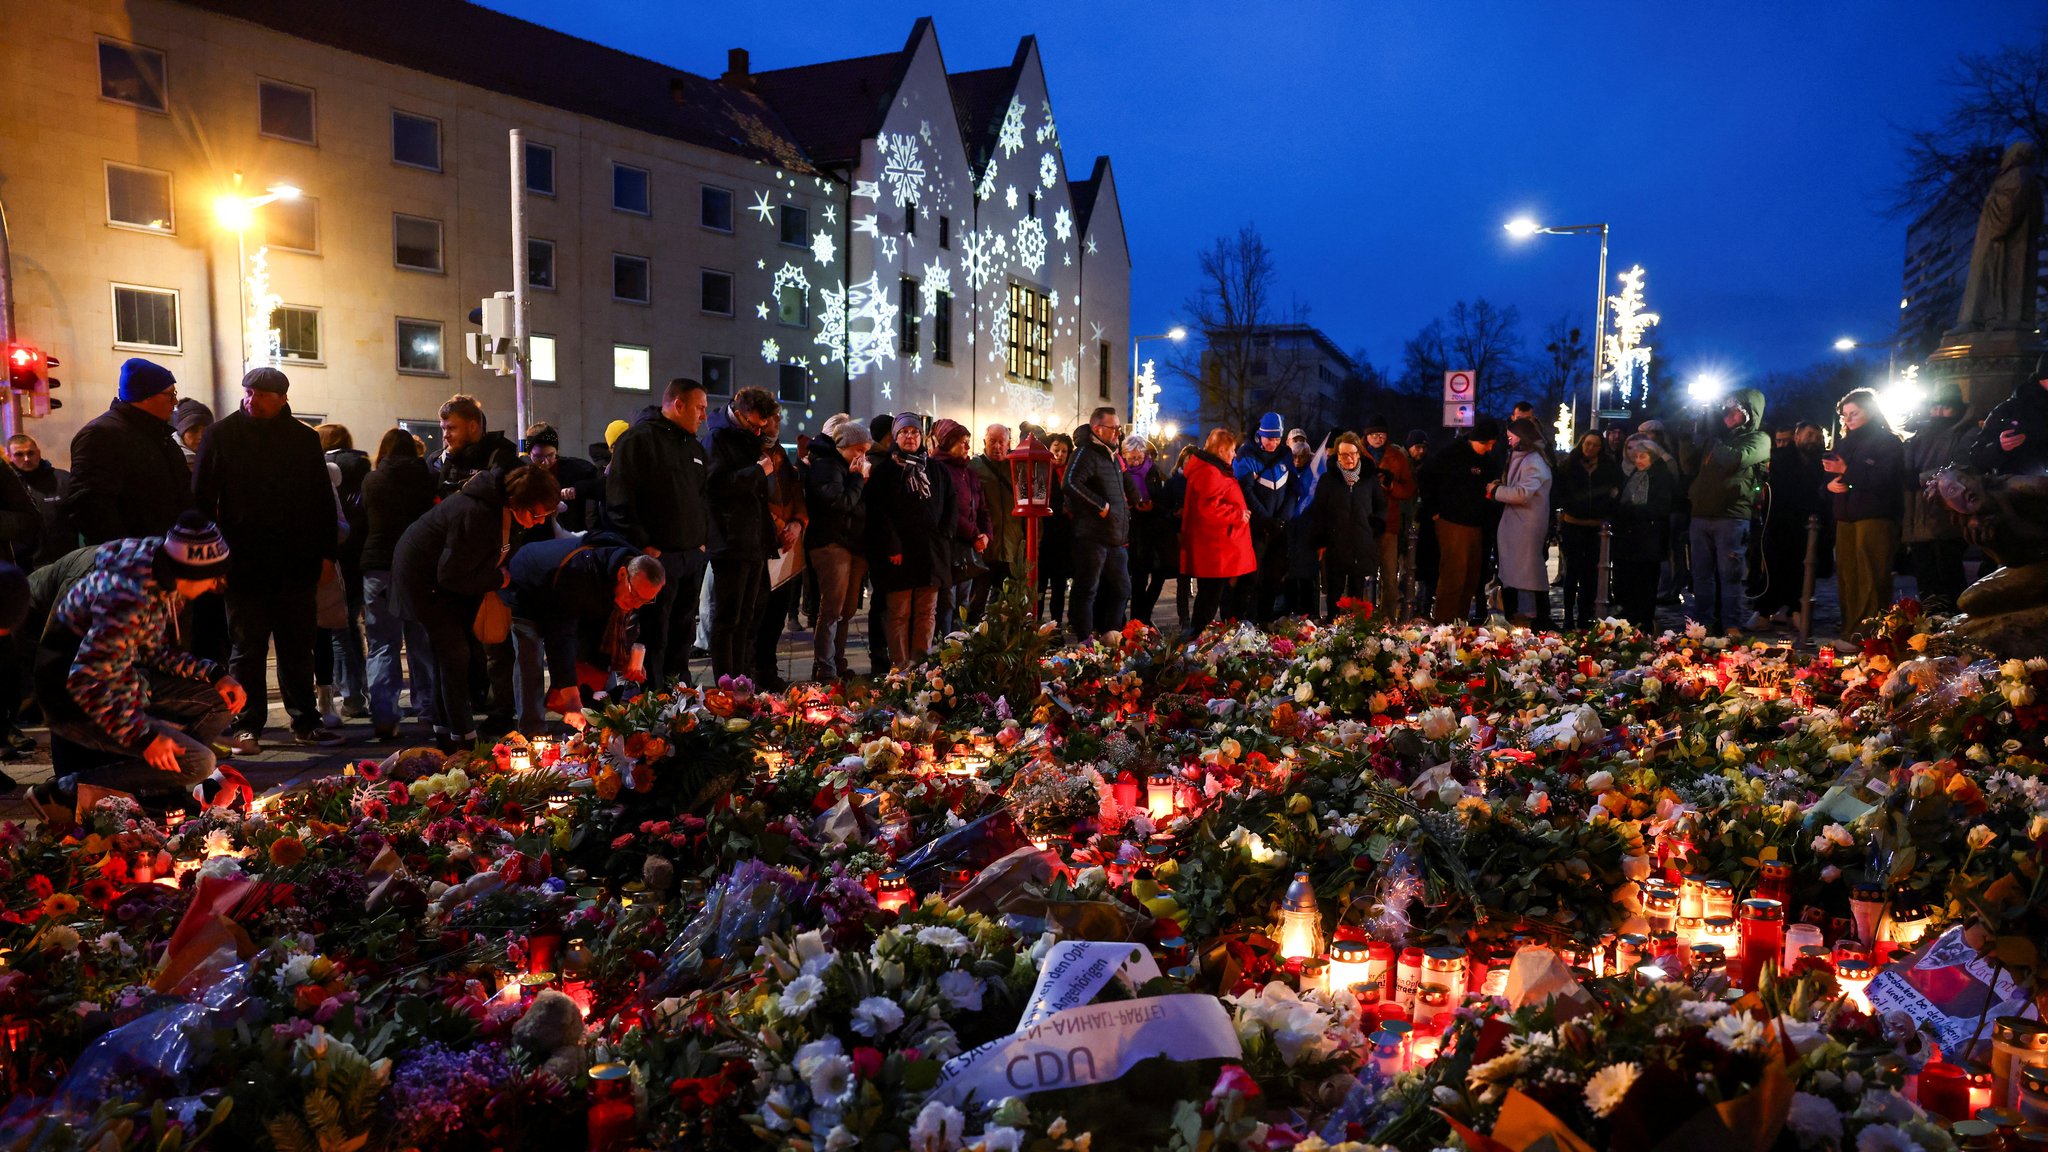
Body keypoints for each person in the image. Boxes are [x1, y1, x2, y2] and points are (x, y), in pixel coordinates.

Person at [24, 516, 250, 824]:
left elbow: (150, 650)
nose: (214, 586)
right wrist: (145, 736)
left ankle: (157, 782)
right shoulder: (128, 596)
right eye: (211, 578)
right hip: (70, 698)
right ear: (189, 571)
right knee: (200, 762)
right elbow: (85, 682)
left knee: (219, 699)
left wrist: (212, 674)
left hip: (122, 679)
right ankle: (63, 792)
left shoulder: (159, 572)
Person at [191, 367, 343, 750]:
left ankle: (305, 719)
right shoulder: (221, 435)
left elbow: (321, 502)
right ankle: (247, 722)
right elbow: (202, 503)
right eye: (248, 392)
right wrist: (211, 561)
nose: (250, 400)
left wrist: (327, 554)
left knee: (297, 645)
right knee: (246, 647)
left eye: (260, 394)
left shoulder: (303, 440)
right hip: (242, 563)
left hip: (295, 561)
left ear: (282, 398)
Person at [393, 465, 560, 751]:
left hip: (448, 587)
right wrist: (498, 578)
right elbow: (451, 572)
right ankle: (463, 743)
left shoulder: (502, 509)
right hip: (426, 584)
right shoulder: (477, 513)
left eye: (546, 515)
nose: (541, 522)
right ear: (518, 501)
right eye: (537, 514)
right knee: (455, 657)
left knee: (451, 657)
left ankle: (447, 734)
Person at [606, 378, 711, 687]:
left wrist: (703, 542)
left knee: (683, 631)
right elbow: (619, 500)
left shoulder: (693, 445)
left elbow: (702, 496)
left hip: (691, 556)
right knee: (655, 634)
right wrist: (645, 546)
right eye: (699, 408)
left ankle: (680, 694)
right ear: (678, 405)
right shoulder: (639, 440)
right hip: (657, 559)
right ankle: (654, 695)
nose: (703, 416)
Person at [507, 533, 662, 733]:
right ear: (622, 575)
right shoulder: (582, 571)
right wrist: (571, 699)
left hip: (566, 599)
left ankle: (601, 724)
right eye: (635, 596)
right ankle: (532, 732)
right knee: (530, 656)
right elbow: (560, 635)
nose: (636, 605)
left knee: (594, 663)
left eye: (646, 600)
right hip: (528, 587)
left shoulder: (633, 574)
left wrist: (626, 659)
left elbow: (608, 633)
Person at [360, 429, 436, 740]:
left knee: (382, 644)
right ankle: (429, 708)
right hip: (417, 566)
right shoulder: (428, 478)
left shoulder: (372, 480)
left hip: (377, 566)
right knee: (422, 641)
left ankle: (384, 715)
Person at [64, 357, 191, 545]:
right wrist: (127, 554)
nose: (175, 401)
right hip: (133, 561)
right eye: (170, 394)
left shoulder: (159, 436)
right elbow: (90, 507)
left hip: (167, 551)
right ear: (146, 396)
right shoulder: (101, 435)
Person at [704, 387, 784, 683]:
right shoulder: (717, 439)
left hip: (753, 541)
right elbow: (714, 488)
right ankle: (725, 684)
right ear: (738, 413)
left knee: (747, 618)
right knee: (727, 618)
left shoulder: (747, 436)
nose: (759, 431)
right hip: (730, 541)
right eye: (754, 425)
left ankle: (742, 679)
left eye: (762, 426)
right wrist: (756, 472)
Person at [867, 413, 954, 667]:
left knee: (927, 612)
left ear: (922, 436)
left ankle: (921, 663)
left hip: (930, 552)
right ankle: (900, 667)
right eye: (904, 432)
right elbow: (878, 512)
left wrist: (945, 536)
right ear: (895, 437)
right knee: (899, 613)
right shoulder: (885, 471)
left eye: (914, 432)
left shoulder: (936, 469)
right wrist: (892, 544)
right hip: (900, 554)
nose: (910, 437)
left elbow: (950, 503)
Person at [1824, 388, 1906, 640]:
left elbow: (1885, 479)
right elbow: (1832, 475)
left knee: (1871, 576)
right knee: (1848, 576)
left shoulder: (1887, 442)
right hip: (1846, 516)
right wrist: (1829, 484)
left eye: (1854, 413)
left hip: (1875, 516)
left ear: (1870, 412)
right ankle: (1850, 627)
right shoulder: (1845, 443)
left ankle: (1869, 633)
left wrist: (1848, 470)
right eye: (1845, 415)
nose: (1849, 419)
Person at [1686, 388, 1770, 633]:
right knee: (1701, 576)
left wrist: (1713, 438)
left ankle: (1731, 624)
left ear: (1747, 413)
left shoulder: (1759, 438)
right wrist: (1687, 436)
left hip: (1731, 515)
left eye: (1733, 410)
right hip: (1701, 513)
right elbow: (1688, 465)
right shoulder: (1716, 438)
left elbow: (1735, 459)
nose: (1726, 414)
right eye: (1725, 409)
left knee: (1730, 575)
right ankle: (1702, 626)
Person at [805, 416, 870, 681]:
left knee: (847, 610)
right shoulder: (827, 467)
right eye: (859, 450)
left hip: (851, 543)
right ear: (844, 445)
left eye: (866, 452)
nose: (863, 457)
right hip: (831, 543)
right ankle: (825, 667)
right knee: (831, 609)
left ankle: (837, 661)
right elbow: (841, 503)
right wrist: (857, 479)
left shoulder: (844, 467)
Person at [1900, 383, 1972, 614]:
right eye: (1935, 407)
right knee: (1925, 572)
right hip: (1918, 512)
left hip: (1945, 512)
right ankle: (1931, 623)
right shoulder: (1918, 434)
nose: (1939, 412)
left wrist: (1921, 478)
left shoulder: (1966, 433)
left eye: (1946, 407)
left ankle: (1955, 620)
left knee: (1948, 570)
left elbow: (1961, 466)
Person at [1064, 406, 1134, 640]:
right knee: (1087, 588)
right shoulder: (1086, 453)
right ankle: (1085, 640)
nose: (1118, 433)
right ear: (1097, 429)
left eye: (1118, 428)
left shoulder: (1112, 455)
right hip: (1092, 536)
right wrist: (1101, 507)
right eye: (1113, 428)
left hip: (1114, 536)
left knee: (1122, 588)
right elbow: (1071, 483)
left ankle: (1110, 634)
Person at [1750, 422, 1830, 627]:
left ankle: (1797, 609)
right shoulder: (1779, 458)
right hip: (1780, 521)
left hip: (1809, 523)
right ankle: (1765, 611)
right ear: (1798, 436)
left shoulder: (1823, 461)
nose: (1814, 440)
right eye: (1810, 434)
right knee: (1775, 567)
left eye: (1817, 436)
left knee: (1803, 569)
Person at [1179, 429, 1257, 634]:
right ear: (1221, 450)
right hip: (1216, 548)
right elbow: (1207, 509)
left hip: (1222, 546)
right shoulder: (1208, 472)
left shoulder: (1212, 468)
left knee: (1223, 590)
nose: (1234, 454)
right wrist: (1237, 515)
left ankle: (1227, 630)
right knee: (1210, 595)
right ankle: (1197, 639)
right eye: (1232, 450)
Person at [318, 423, 370, 723]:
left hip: (337, 562)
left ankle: (351, 696)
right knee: (353, 629)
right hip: (362, 559)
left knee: (338, 631)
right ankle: (359, 693)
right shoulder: (365, 469)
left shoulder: (327, 471)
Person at [751, 419, 807, 689]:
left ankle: (767, 669)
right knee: (756, 616)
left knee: (776, 616)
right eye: (769, 419)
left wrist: (797, 523)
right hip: (762, 545)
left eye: (776, 420)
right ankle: (750, 674)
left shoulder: (781, 455)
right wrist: (779, 525)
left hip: (786, 548)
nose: (774, 424)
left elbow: (795, 492)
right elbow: (753, 497)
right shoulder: (748, 452)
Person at [1428, 418, 1500, 625]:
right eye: (1486, 444)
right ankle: (1444, 623)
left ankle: (1460, 621)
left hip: (1477, 524)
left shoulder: (1487, 461)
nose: (1488, 448)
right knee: (1454, 575)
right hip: (1454, 521)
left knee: (1471, 576)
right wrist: (1434, 510)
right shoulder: (1451, 455)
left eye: (1492, 445)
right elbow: (1428, 477)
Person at [1311, 433, 1386, 617]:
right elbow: (1319, 511)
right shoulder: (1328, 480)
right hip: (1336, 543)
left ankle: (1354, 630)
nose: (1349, 458)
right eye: (1344, 455)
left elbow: (1381, 505)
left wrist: (1374, 528)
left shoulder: (1369, 478)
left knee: (1357, 591)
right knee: (1334, 590)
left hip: (1361, 542)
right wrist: (1320, 539)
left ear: (1359, 454)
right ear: (1337, 456)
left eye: (1352, 453)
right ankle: (1331, 627)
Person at [1490, 418, 1555, 628]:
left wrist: (1495, 491)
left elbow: (1523, 493)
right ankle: (1522, 615)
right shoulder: (1524, 458)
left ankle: (1528, 617)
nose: (1508, 441)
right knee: (1518, 571)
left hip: (1525, 525)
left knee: (1525, 572)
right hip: (1518, 524)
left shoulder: (1533, 461)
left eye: (1511, 437)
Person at [929, 419, 990, 636]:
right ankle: (945, 645)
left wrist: (986, 534)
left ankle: (960, 643)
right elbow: (950, 509)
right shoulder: (938, 468)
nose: (967, 447)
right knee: (947, 601)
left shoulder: (969, 472)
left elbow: (982, 509)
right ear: (947, 443)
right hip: (949, 545)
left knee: (964, 601)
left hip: (969, 547)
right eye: (962, 442)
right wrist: (975, 534)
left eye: (968, 442)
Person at [1555, 431, 1621, 629]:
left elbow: (1616, 491)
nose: (1590, 448)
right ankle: (1568, 616)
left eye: (1595, 445)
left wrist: (1609, 503)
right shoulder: (1569, 466)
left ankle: (1584, 616)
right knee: (1572, 571)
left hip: (1595, 527)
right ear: (1582, 443)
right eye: (1587, 444)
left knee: (1590, 575)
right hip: (1573, 524)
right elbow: (1560, 492)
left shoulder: (1608, 468)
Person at [1234, 411, 1296, 623]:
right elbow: (1246, 492)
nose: (1274, 444)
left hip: (1279, 528)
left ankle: (1266, 620)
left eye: (1278, 439)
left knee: (1274, 577)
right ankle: (1247, 620)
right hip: (1257, 529)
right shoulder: (1246, 455)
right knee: (1253, 578)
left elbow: (1293, 490)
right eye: (1270, 439)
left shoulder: (1285, 454)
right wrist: (1265, 520)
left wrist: (1282, 519)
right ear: (1260, 435)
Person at [1612, 436, 1677, 631]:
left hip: (1649, 538)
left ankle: (1644, 623)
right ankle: (1630, 619)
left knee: (1645, 584)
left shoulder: (1660, 476)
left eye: (1643, 457)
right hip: (1631, 537)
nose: (1638, 460)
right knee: (1630, 582)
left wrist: (1632, 510)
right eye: (1637, 457)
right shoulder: (1635, 474)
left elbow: (1660, 507)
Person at [968, 424, 1022, 624]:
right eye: (993, 441)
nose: (997, 446)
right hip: (984, 546)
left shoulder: (1016, 468)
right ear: (984, 442)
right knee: (977, 599)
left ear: (1009, 444)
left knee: (1006, 602)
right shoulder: (974, 468)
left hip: (1011, 546)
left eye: (1002, 442)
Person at [1363, 417, 1416, 605]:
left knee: (1389, 573)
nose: (1378, 438)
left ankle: (1388, 618)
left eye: (1382, 435)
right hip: (1363, 521)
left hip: (1388, 521)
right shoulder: (1357, 454)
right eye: (1374, 435)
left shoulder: (1397, 457)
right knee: (1362, 573)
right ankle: (1361, 615)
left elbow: (1409, 488)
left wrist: (1391, 485)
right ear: (1366, 436)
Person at [1124, 438, 1175, 626]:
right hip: (1133, 530)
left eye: (1138, 457)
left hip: (1154, 529)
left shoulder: (1154, 471)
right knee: (1137, 579)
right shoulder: (1121, 472)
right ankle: (1137, 621)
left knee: (1159, 574)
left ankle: (1143, 615)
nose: (1135, 462)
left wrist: (1153, 506)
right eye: (1131, 458)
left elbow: (1163, 498)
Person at [9, 434, 77, 571]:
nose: (26, 459)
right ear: (9, 456)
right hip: (25, 567)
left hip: (65, 562)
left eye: (30, 453)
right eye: (19, 455)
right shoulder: (7, 487)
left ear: (38, 452)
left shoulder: (62, 480)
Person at [432, 394, 521, 499]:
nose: (445, 435)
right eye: (443, 428)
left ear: (473, 427)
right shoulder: (436, 461)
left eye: (451, 428)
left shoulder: (502, 462)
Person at [864, 413, 899, 675]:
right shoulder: (879, 463)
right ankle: (879, 655)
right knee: (883, 602)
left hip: (881, 542)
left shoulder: (882, 460)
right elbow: (881, 509)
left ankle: (882, 653)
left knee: (883, 601)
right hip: (882, 544)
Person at [524, 422, 603, 534]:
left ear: (557, 451)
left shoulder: (579, 469)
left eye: (550, 455)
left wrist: (578, 489)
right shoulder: (522, 474)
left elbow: (598, 487)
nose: (545, 462)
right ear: (529, 454)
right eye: (538, 456)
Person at [1969, 373, 2048, 476]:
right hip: (2021, 487)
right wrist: (2000, 447)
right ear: (2042, 378)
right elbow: (1977, 456)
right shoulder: (2009, 410)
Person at [1040, 431, 1075, 623]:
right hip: (1044, 534)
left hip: (1064, 538)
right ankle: (1036, 624)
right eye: (1056, 449)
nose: (1060, 454)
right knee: (1040, 584)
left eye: (1064, 451)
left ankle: (1055, 625)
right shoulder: (1042, 471)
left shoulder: (1070, 473)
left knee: (1059, 585)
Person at [171, 399, 213, 468]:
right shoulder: (171, 461)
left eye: (206, 431)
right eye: (194, 430)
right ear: (181, 433)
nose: (201, 436)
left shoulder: (216, 457)